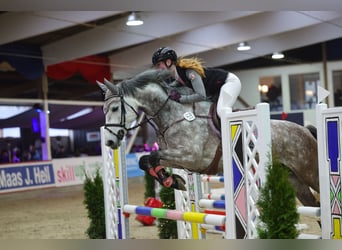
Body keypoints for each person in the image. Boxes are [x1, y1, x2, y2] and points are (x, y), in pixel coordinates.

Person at [151, 46, 242, 117]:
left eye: (159, 64)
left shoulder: (189, 72)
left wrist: (181, 99)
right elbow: (175, 86)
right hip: (218, 89)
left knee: (221, 111)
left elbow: (201, 95)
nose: (158, 68)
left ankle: (237, 137)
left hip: (230, 83)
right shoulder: (178, 76)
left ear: (168, 62)